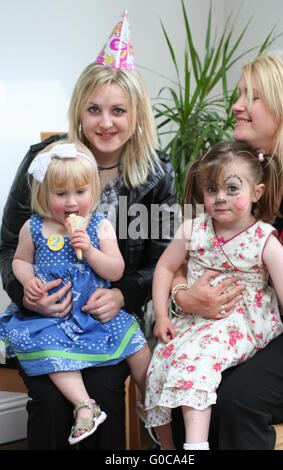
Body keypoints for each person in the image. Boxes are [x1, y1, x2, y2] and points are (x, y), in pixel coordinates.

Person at [0, 12, 177, 449]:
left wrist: (123, 295)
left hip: (108, 316)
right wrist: (29, 294)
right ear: (79, 110)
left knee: (103, 385)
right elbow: (9, 246)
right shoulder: (45, 163)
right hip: (47, 318)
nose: (105, 122)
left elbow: (163, 260)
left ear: (135, 115)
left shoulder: (155, 176)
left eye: (118, 110)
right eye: (94, 109)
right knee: (49, 393)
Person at [171, 51, 283, 450]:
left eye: (253, 96)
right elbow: (184, 255)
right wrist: (184, 297)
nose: (237, 105)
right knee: (187, 381)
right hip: (254, 324)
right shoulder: (232, 170)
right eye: (239, 94)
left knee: (236, 398)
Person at [145, 141, 283, 450]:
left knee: (198, 364)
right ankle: (168, 448)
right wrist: (162, 315)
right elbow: (164, 268)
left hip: (241, 321)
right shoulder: (193, 230)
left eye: (232, 189)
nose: (220, 199)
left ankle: (196, 446)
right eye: (212, 190)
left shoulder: (265, 241)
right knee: (159, 363)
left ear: (256, 192)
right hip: (195, 320)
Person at [0, 140, 152, 445]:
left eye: (80, 192)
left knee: (135, 343)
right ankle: (85, 406)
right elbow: (18, 260)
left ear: (92, 192)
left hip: (93, 315)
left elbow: (115, 270)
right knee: (51, 352)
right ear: (44, 195)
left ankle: (155, 402)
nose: (72, 202)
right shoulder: (34, 228)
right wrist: (28, 281)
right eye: (61, 194)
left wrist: (92, 253)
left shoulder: (99, 226)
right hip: (53, 318)